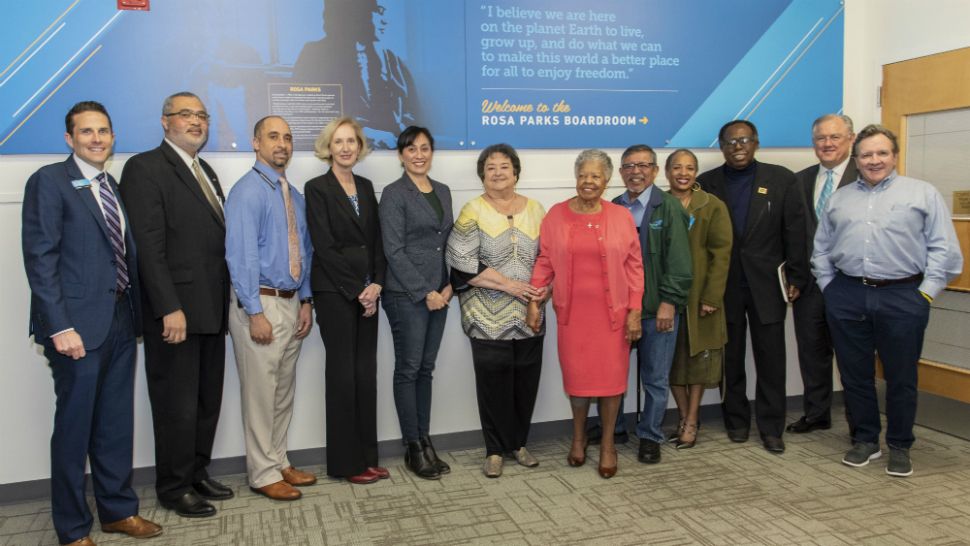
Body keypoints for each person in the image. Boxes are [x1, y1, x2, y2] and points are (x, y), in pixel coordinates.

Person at [22, 101, 163, 546]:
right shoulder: (49, 181)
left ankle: (118, 511)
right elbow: (40, 259)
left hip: (121, 320)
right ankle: (72, 527)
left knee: (114, 424)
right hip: (76, 329)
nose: (97, 138)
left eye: (104, 130)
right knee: (74, 429)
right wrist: (59, 325)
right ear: (70, 138)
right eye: (87, 132)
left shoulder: (111, 185)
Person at [813, 124, 963, 477]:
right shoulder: (840, 198)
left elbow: (945, 250)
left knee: (901, 377)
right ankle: (865, 440)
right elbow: (821, 248)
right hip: (848, 294)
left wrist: (924, 294)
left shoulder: (922, 194)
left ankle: (899, 444)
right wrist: (829, 288)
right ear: (856, 158)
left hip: (903, 295)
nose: (874, 160)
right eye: (866, 154)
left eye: (882, 153)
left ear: (895, 156)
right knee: (855, 375)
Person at [120, 92, 233, 518]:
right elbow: (147, 247)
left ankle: (197, 472)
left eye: (202, 115)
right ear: (165, 121)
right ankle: (173, 486)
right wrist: (168, 306)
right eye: (186, 114)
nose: (196, 121)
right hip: (176, 313)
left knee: (206, 400)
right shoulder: (145, 168)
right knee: (176, 405)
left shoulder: (204, 170)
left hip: (211, 308)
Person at [527, 149, 644, 479]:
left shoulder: (621, 217)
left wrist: (635, 310)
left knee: (610, 383)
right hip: (573, 317)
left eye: (595, 176)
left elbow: (635, 268)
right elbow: (545, 262)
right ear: (576, 178)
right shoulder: (556, 215)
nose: (588, 181)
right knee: (578, 383)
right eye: (583, 175)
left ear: (606, 181)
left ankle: (607, 444)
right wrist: (534, 300)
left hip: (613, 318)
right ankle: (578, 438)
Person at [697, 120, 808, 454]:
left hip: (768, 284)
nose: (737, 146)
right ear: (721, 146)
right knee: (730, 359)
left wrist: (798, 277)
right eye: (730, 142)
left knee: (771, 358)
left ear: (756, 143)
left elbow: (795, 231)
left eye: (744, 140)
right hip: (724, 285)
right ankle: (736, 421)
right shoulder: (707, 184)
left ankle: (771, 427)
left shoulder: (782, 179)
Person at [225, 116, 317, 501]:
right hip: (259, 302)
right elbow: (240, 256)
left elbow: (306, 251)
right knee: (261, 394)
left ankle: (278, 460)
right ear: (256, 142)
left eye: (288, 138)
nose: (282, 144)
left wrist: (306, 299)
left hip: (291, 301)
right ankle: (262, 473)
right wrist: (254, 312)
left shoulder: (293, 195)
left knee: (281, 392)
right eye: (273, 136)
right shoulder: (247, 192)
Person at [447, 143, 547, 478]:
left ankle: (519, 444)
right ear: (482, 175)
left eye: (504, 166)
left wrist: (537, 295)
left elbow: (548, 259)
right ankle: (494, 450)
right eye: (491, 167)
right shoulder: (472, 210)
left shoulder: (536, 209)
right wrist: (510, 285)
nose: (498, 172)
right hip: (486, 316)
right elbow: (461, 263)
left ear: (516, 172)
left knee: (526, 381)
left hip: (530, 313)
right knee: (493, 384)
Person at [305, 116, 389, 484]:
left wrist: (376, 286)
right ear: (328, 147)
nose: (345, 148)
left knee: (364, 375)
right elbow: (324, 246)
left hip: (369, 294)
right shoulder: (317, 188)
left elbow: (377, 242)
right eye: (338, 142)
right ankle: (345, 464)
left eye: (351, 141)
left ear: (359, 147)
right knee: (343, 377)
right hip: (336, 293)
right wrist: (357, 289)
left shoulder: (367, 186)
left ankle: (368, 457)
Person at [379, 126, 454, 480]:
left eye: (425, 148)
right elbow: (393, 250)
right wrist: (426, 291)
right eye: (412, 149)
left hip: (441, 294)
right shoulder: (394, 194)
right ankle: (412, 447)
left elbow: (450, 244)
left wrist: (450, 286)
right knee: (408, 369)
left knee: (426, 369)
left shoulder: (443, 191)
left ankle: (425, 440)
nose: (419, 154)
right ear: (401, 155)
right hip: (407, 295)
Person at [609, 145, 692, 465]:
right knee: (613, 375)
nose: (635, 171)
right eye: (629, 166)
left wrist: (669, 303)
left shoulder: (668, 207)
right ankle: (613, 429)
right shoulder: (614, 207)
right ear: (620, 172)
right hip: (620, 310)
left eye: (643, 165)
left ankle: (649, 435)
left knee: (655, 379)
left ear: (655, 171)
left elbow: (681, 263)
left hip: (658, 309)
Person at [789, 114, 857, 435]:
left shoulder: (866, 176)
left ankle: (860, 422)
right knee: (812, 351)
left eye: (835, 137)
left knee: (851, 356)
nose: (827, 144)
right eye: (820, 138)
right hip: (809, 285)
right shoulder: (800, 180)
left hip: (850, 285)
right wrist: (792, 277)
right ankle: (817, 414)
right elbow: (791, 234)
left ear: (851, 139)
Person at [665, 149, 733, 449]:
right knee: (671, 363)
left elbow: (722, 254)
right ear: (666, 172)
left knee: (698, 364)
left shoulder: (712, 205)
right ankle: (682, 416)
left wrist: (711, 296)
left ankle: (692, 419)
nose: (683, 173)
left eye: (690, 168)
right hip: (667, 299)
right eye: (677, 167)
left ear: (695, 173)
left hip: (701, 301)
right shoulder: (659, 204)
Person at [293, 0, 420, 148]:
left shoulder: (391, 60)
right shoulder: (314, 56)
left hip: (389, 152)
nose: (385, 21)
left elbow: (413, 112)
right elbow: (306, 115)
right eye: (379, 12)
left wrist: (400, 135)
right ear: (355, 13)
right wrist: (360, 133)